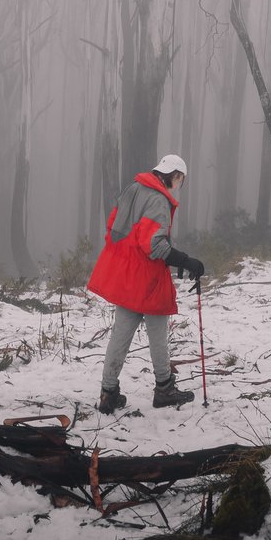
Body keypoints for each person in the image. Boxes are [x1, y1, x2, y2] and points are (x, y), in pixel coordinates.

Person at [87, 152, 205, 412]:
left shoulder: (133, 189)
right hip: (148, 279)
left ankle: (108, 394)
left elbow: (114, 229)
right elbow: (154, 245)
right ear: (174, 176)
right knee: (158, 335)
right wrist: (185, 261)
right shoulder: (158, 199)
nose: (179, 185)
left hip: (127, 276)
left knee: (120, 335)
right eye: (180, 180)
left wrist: (129, 258)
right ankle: (164, 389)